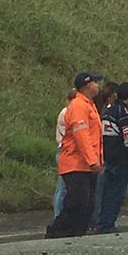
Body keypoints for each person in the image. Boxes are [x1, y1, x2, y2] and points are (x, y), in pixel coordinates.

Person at [46, 72, 104, 239]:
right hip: (76, 163)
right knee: (76, 202)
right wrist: (93, 161)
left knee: (86, 204)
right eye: (95, 82)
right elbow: (82, 137)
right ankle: (57, 232)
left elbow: (94, 138)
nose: (98, 85)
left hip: (85, 164)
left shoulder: (89, 105)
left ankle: (76, 233)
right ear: (87, 86)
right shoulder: (79, 106)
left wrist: (97, 161)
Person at [97, 82, 128, 234]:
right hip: (120, 160)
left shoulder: (106, 112)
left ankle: (102, 222)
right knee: (115, 194)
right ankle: (107, 224)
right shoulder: (123, 114)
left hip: (106, 157)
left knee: (104, 193)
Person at [89, 81, 118, 230]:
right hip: (100, 155)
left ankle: (93, 221)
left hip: (97, 154)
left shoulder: (97, 109)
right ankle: (96, 221)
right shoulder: (106, 112)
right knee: (100, 191)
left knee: (95, 190)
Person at [53, 90, 78, 219]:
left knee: (64, 186)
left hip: (64, 149)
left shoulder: (67, 112)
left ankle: (60, 215)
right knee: (63, 187)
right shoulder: (66, 112)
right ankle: (58, 215)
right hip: (64, 150)